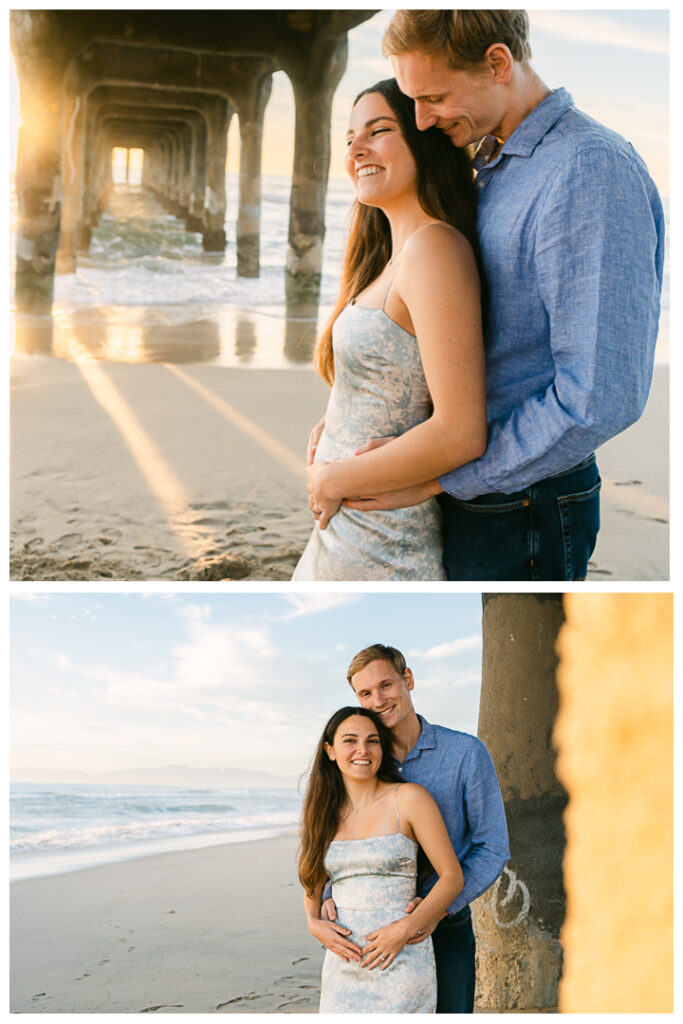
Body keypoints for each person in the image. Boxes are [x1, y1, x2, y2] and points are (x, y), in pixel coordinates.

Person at [341, 9, 665, 581]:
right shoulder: (494, 161)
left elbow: (600, 398)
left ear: (498, 63)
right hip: (478, 484)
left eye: (435, 96)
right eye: (412, 100)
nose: (421, 118)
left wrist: (445, 475)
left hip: (522, 502)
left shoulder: (587, 169)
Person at [292, 76, 486, 580]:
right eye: (350, 137)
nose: (357, 148)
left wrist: (333, 479)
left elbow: (461, 432)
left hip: (383, 537)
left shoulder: (435, 250)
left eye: (378, 131)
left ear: (423, 139)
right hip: (350, 527)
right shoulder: (389, 256)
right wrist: (335, 422)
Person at [320, 644, 510, 1013]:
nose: (378, 700)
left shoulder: (465, 753)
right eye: (365, 693)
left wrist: (435, 911)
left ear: (408, 680)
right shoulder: (363, 758)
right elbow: (335, 831)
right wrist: (327, 894)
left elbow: (492, 846)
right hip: (369, 930)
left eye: (386, 685)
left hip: (446, 921)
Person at [300, 705, 464, 1013]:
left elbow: (452, 877)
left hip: (402, 962)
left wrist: (406, 928)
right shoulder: (322, 813)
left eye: (372, 740)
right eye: (350, 740)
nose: (362, 749)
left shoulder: (410, 799)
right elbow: (311, 879)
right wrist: (312, 922)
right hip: (342, 965)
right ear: (330, 750)